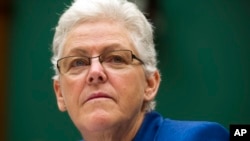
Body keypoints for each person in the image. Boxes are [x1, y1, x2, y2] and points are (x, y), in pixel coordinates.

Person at [51, 0, 229, 140]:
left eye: (116, 58)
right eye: (78, 63)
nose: (95, 72)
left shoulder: (200, 138)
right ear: (60, 93)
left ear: (150, 83)